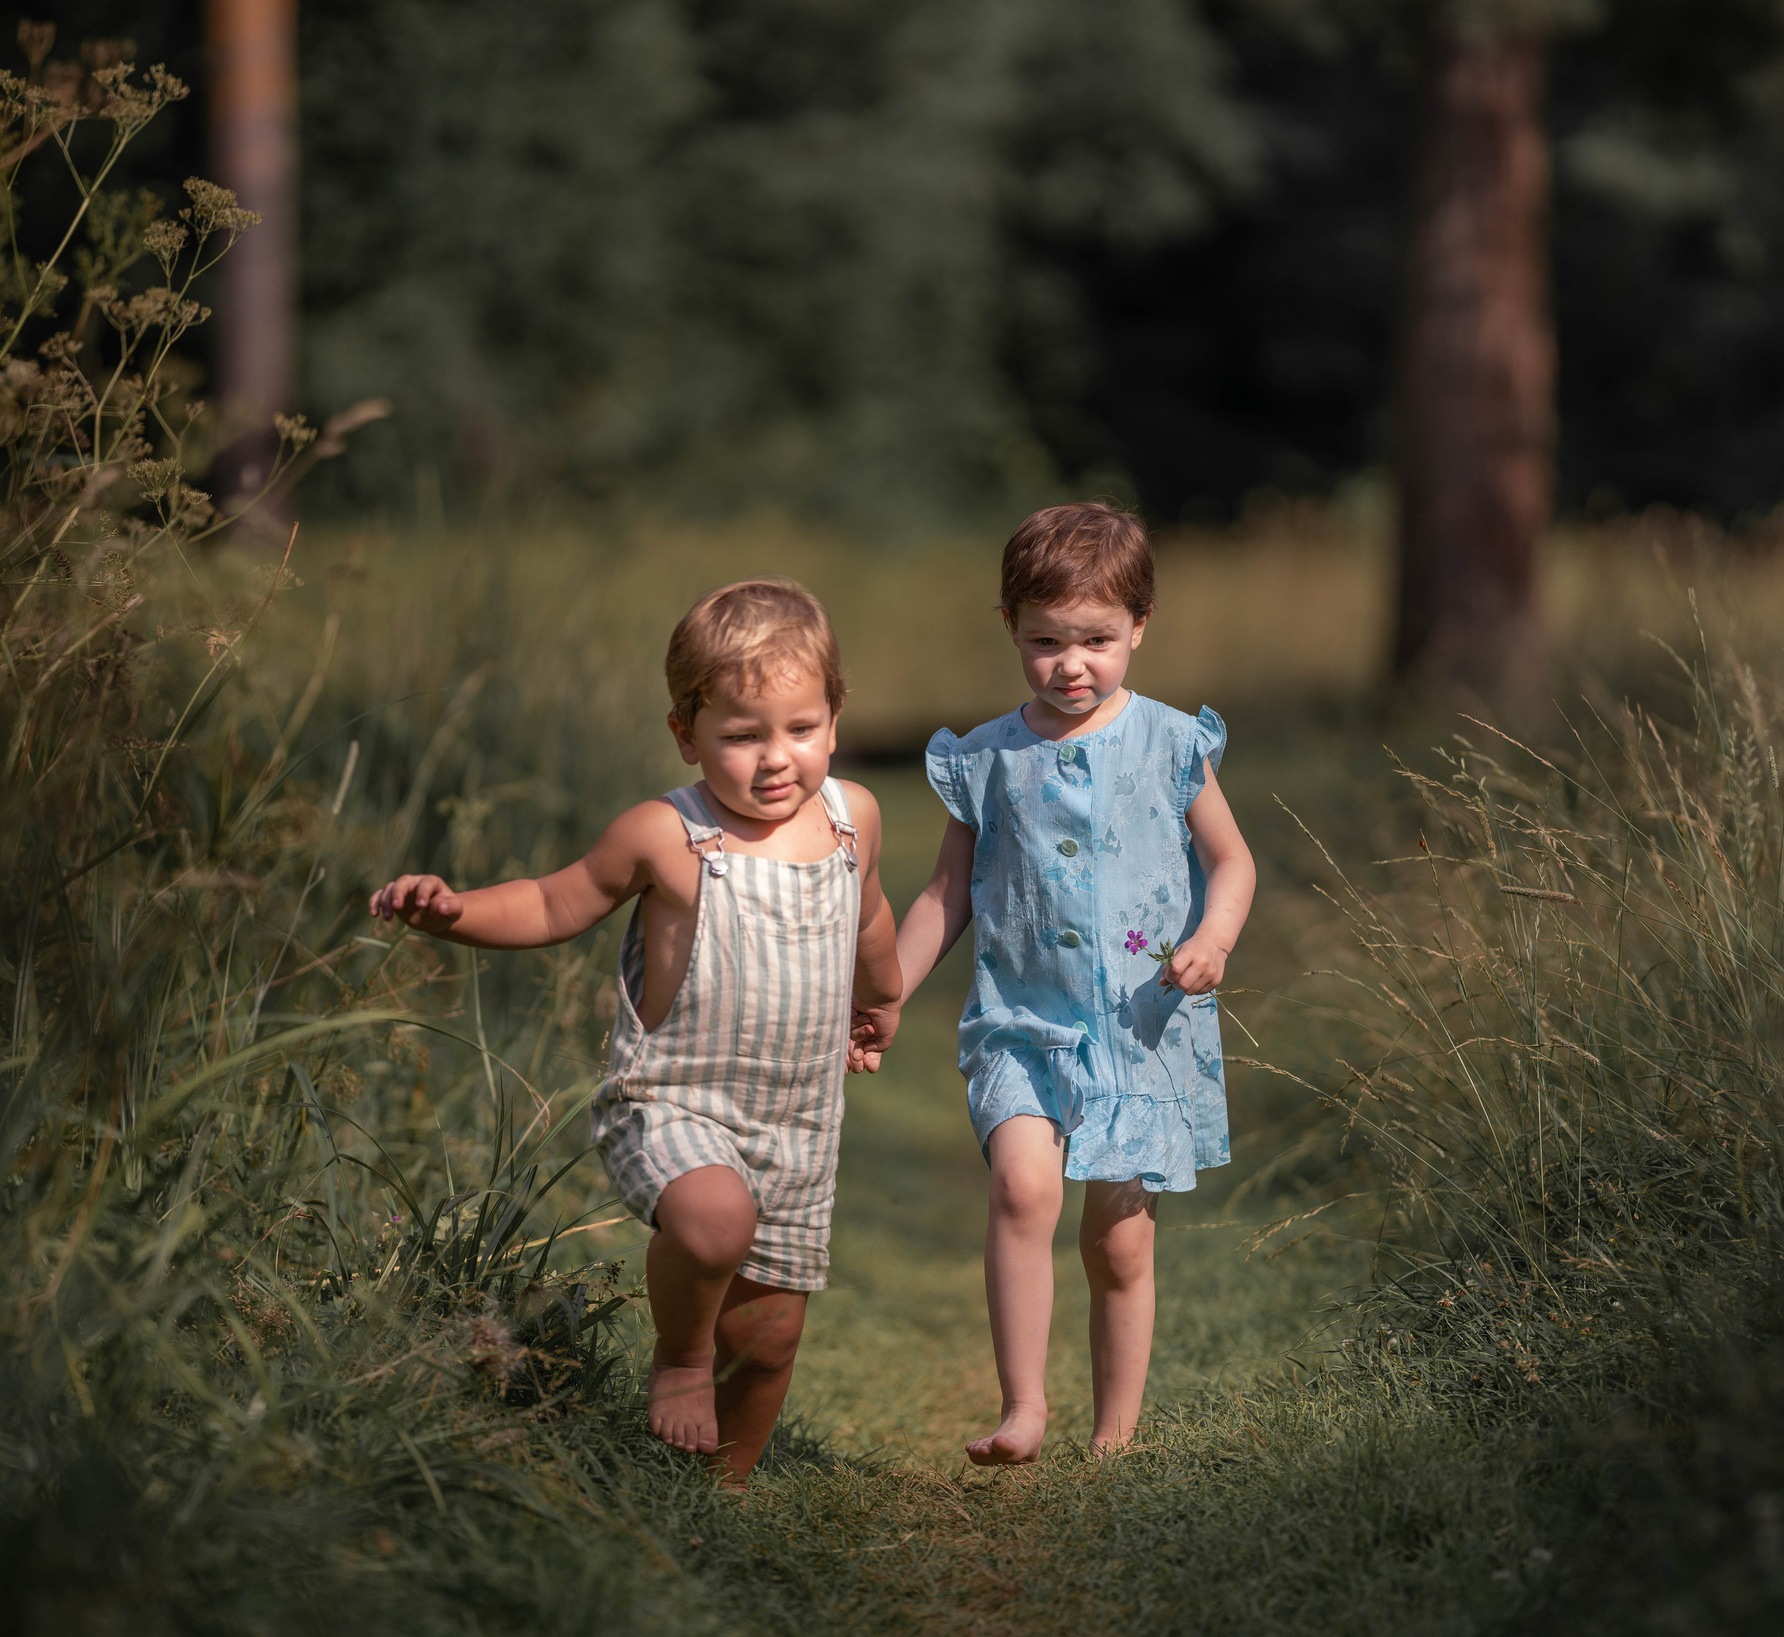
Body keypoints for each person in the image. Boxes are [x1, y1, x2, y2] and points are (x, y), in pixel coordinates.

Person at [370, 580, 902, 1483]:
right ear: (686, 735)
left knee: (768, 1336)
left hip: (799, 1126)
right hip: (673, 1102)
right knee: (714, 1223)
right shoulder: (669, 834)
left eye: (801, 728)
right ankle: (681, 1359)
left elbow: (871, 914)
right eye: (742, 735)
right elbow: (552, 902)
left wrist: (881, 997)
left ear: (835, 718)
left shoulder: (854, 820)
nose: (777, 758)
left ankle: (721, 1499)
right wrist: (452, 911)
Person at [893, 503, 1256, 1464]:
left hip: (1139, 1028)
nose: (1071, 665)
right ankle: (1024, 1407)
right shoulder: (985, 758)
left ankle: (1115, 1436)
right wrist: (885, 991)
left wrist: (1215, 937)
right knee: (1023, 1189)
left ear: (1140, 625)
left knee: (1119, 1239)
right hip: (1021, 1022)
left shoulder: (1172, 743)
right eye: (1045, 641)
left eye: (1096, 639)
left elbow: (1232, 862)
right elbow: (945, 894)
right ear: (1010, 627)